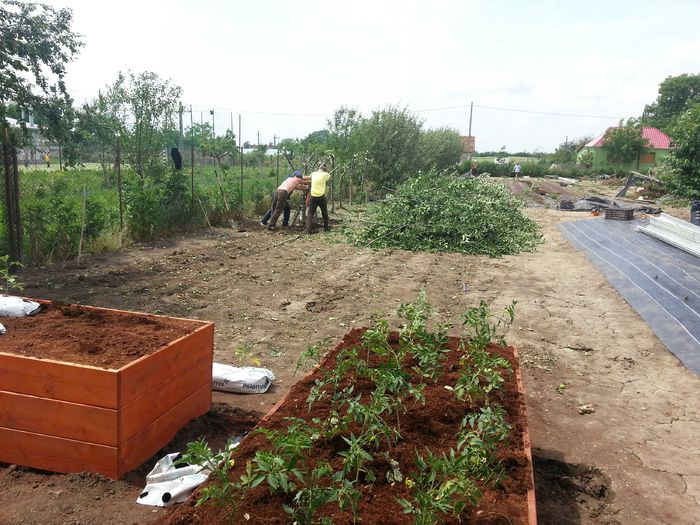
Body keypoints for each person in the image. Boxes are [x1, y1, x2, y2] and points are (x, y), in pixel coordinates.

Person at [306, 164, 331, 233]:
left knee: (310, 213)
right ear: (324, 170)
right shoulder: (326, 174)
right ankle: (326, 228)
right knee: (324, 212)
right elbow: (328, 178)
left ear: (318, 169)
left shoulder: (313, 173)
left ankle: (308, 230)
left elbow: (309, 178)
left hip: (313, 196)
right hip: (321, 196)